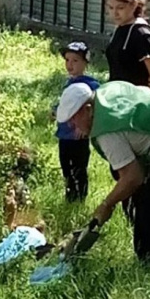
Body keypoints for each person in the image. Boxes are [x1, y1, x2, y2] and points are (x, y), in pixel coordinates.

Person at [56, 80, 150, 276]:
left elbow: (133, 176)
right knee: (140, 199)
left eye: (74, 119)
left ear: (88, 109)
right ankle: (146, 263)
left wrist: (106, 205)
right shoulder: (105, 94)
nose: (72, 126)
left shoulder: (106, 130)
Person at [55, 42, 100, 202]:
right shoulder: (69, 83)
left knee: (79, 168)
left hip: (77, 136)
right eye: (67, 60)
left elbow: (95, 106)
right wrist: (55, 111)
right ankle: (70, 195)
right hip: (64, 135)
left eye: (75, 61)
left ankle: (80, 196)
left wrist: (87, 125)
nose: (70, 65)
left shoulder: (91, 85)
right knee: (66, 168)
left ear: (85, 63)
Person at [105, 0, 150, 91]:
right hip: (116, 97)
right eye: (111, 8)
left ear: (134, 4)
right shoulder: (119, 29)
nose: (115, 13)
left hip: (137, 100)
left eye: (120, 8)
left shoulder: (142, 34)